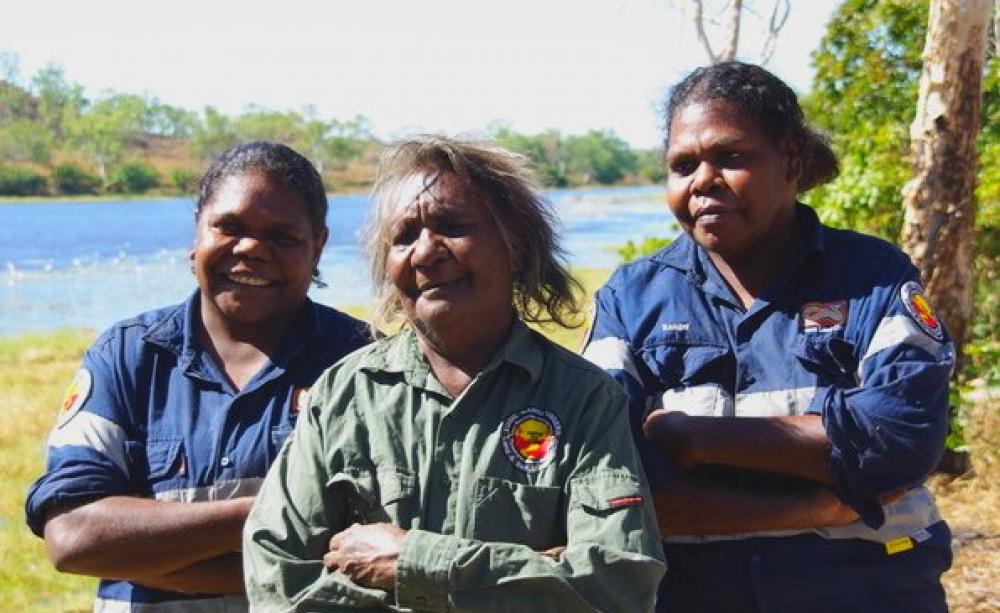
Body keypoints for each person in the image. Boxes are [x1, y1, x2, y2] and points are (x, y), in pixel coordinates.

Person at [582, 62, 954, 612]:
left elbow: (899, 442)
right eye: (682, 165)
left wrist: (692, 437)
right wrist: (822, 506)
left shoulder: (874, 277)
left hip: (870, 594)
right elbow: (607, 485)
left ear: (791, 160)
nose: (703, 180)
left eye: (730, 157)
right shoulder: (631, 299)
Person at [243, 136, 665, 612]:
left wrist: (411, 561)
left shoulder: (585, 400)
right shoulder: (341, 397)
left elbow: (617, 585)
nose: (425, 252)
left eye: (451, 226)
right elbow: (278, 580)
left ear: (516, 245)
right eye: (403, 237)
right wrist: (527, 571)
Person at [25, 141, 371, 611]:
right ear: (197, 232)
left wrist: (152, 560)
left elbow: (372, 551)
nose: (250, 248)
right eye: (229, 227)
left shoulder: (363, 363)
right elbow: (72, 536)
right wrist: (275, 519)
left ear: (318, 247)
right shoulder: (127, 355)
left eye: (283, 236)